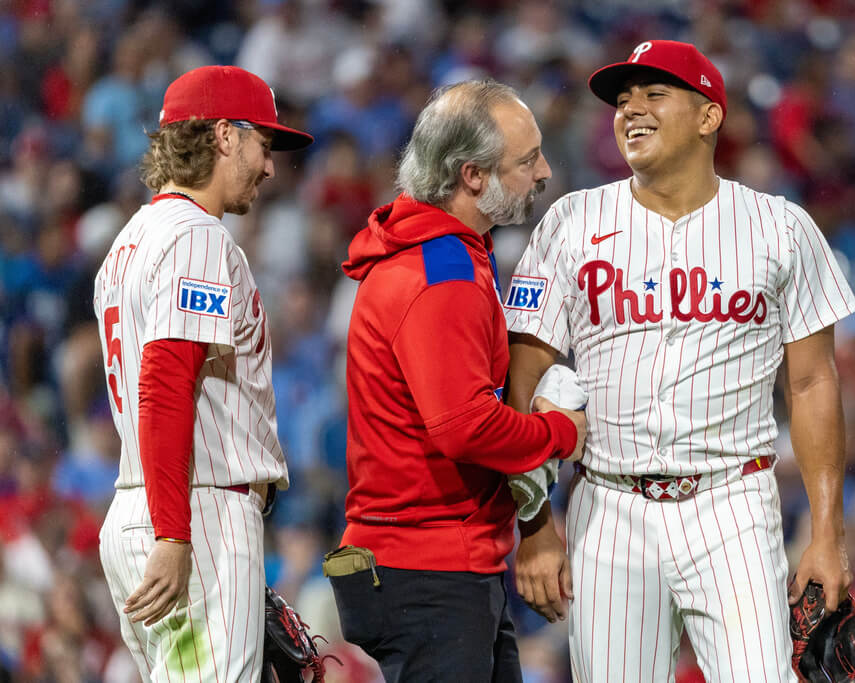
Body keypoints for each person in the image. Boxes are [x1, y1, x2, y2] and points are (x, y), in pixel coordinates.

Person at [505, 40, 855, 682]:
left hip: (733, 502)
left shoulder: (779, 227)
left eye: (654, 94)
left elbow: (811, 383)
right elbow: (520, 378)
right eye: (622, 99)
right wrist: (535, 526)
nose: (630, 109)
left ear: (708, 116)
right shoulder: (571, 222)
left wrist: (828, 535)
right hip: (607, 507)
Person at [327, 79, 586, 683]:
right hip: (430, 571)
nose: (544, 171)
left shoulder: (444, 253)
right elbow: (464, 427)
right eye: (526, 161)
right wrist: (560, 432)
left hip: (432, 565)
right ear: (472, 175)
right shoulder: (442, 275)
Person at [93, 65, 313, 681]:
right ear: (223, 135)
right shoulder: (197, 237)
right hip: (196, 515)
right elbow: (165, 384)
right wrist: (174, 533)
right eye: (263, 145)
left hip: (142, 508)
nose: (270, 167)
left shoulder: (127, 243)